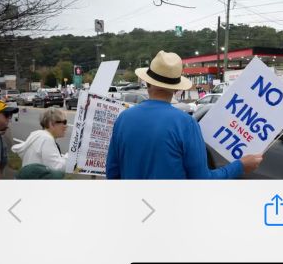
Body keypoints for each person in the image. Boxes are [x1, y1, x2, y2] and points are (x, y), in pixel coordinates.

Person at [106, 51, 263, 180]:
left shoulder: (123, 119)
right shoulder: (186, 123)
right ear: (176, 89)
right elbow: (202, 180)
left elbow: (112, 173)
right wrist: (240, 166)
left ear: (147, 83)